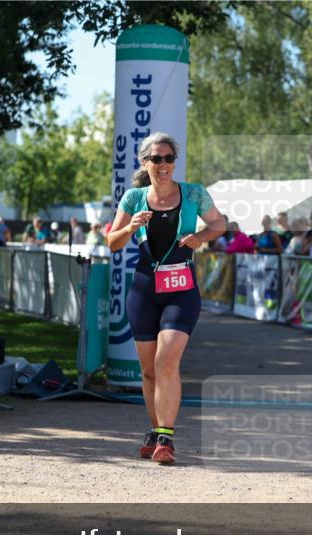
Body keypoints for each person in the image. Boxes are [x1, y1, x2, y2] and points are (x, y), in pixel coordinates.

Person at [107, 132, 227, 465]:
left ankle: (166, 438)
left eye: (169, 158)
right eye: (156, 159)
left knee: (167, 361)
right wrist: (130, 227)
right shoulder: (133, 198)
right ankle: (155, 431)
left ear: (175, 162)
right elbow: (112, 243)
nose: (163, 165)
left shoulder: (193, 193)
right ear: (144, 163)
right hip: (144, 290)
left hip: (181, 288)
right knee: (148, 372)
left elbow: (220, 222)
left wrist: (201, 236)